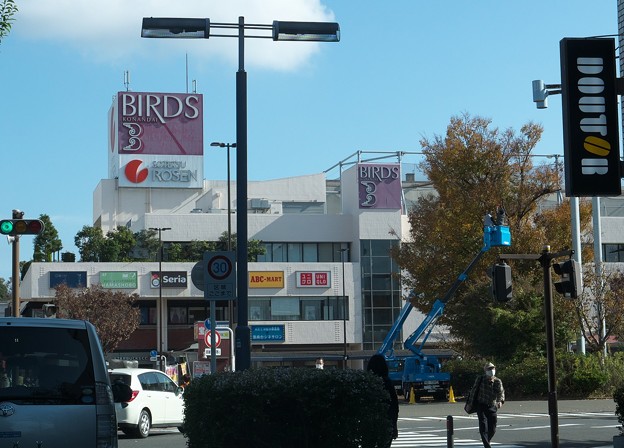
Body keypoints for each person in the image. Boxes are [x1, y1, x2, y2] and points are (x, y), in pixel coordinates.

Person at [367, 354, 399, 447]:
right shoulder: (388, 383)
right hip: (386, 423)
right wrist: (394, 427)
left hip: (369, 425)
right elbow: (394, 407)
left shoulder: (367, 383)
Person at [472, 361, 505, 448]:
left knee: (493, 427)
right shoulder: (480, 379)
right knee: (483, 426)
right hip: (481, 405)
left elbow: (501, 393)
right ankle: (487, 445)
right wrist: (470, 403)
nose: (491, 370)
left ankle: (488, 439)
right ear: (485, 370)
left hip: (492, 406)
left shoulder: (497, 381)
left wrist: (500, 401)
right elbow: (474, 391)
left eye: (493, 368)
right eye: (489, 369)